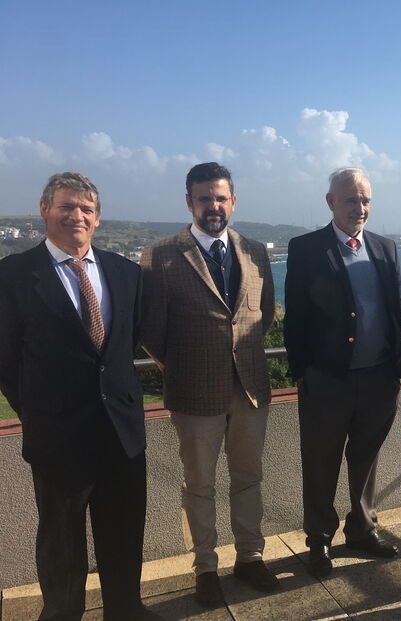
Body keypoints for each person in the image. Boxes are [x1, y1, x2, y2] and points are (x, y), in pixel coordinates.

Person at [0, 173, 156, 620]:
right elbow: (6, 360)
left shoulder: (126, 273)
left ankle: (125, 610)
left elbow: (124, 346)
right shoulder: (12, 275)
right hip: (58, 437)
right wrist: (41, 412)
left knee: (123, 533)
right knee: (62, 543)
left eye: (86, 209)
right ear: (44, 209)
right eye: (66, 206)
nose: (77, 216)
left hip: (122, 435)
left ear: (98, 217)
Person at [140, 162, 278, 606]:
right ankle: (205, 567)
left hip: (250, 389)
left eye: (221, 198)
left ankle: (250, 557)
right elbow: (151, 330)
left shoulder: (255, 252)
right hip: (194, 393)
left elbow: (263, 313)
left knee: (249, 477)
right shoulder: (161, 256)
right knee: (199, 485)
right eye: (204, 198)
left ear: (233, 201)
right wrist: (186, 365)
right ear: (189, 202)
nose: (213, 206)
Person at [284, 167, 401, 578]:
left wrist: (398, 367)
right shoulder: (306, 248)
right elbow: (296, 317)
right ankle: (319, 539)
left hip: (379, 377)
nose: (360, 207)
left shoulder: (385, 247)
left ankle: (362, 529)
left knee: (366, 459)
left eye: (365, 200)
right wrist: (304, 373)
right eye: (350, 200)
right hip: (327, 378)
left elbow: (393, 310)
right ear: (331, 202)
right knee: (320, 461)